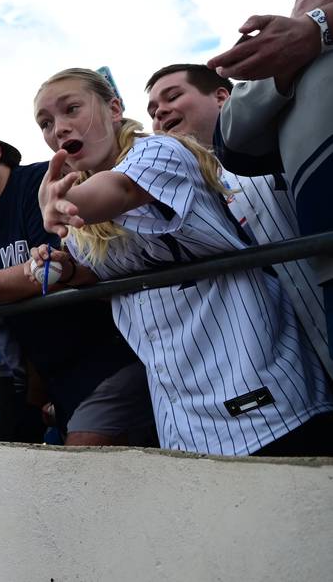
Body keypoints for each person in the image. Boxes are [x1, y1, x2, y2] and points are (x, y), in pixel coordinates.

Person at [33, 67, 333, 456]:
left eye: (72, 108)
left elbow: (121, 190)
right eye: (45, 122)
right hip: (181, 416)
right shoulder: (77, 205)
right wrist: (66, 267)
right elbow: (106, 268)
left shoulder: (160, 150)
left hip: (258, 393)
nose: (59, 127)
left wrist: (65, 203)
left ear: (114, 108)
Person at [0, 115, 154, 446]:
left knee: (83, 471)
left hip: (111, 356)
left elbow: (52, 273)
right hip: (56, 376)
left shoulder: (40, 183)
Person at [204, 0, 333, 343]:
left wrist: (317, 28)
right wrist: (292, 53)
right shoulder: (278, 41)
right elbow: (233, 142)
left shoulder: (302, 28)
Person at [145, 63, 330, 377]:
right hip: (279, 379)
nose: (159, 113)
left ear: (221, 97)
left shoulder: (281, 142)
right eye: (151, 111)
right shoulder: (163, 195)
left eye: (173, 96)